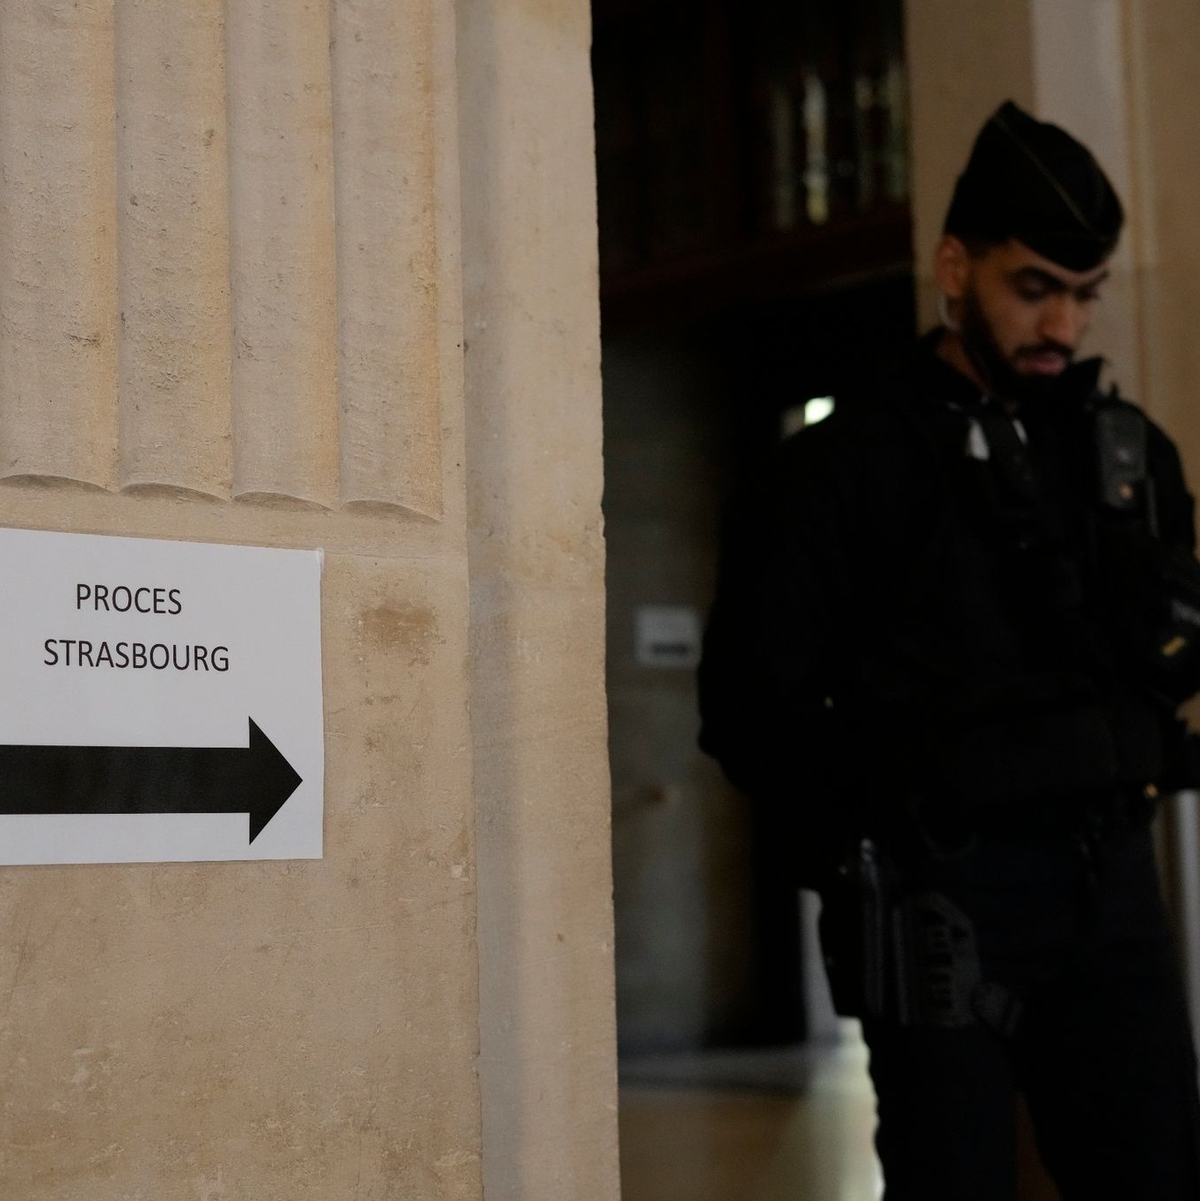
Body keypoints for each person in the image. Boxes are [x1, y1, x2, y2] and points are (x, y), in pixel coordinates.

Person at [698, 100, 1200, 1200]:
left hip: (1109, 885)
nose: (1062, 326)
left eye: (1084, 294)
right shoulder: (838, 471)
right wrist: (865, 853)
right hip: (937, 894)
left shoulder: (1126, 458)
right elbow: (748, 707)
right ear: (954, 264)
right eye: (1035, 289)